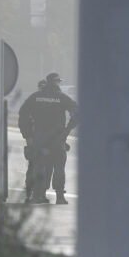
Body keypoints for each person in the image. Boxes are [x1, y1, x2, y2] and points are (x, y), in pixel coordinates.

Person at [18, 72, 78, 204]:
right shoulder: (61, 97)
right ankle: (60, 197)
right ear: (56, 82)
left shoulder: (36, 96)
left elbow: (22, 115)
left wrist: (28, 135)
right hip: (58, 139)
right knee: (59, 168)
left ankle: (38, 195)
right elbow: (77, 112)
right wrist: (67, 130)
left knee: (39, 166)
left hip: (39, 138)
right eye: (58, 82)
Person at [22, 79, 47, 203]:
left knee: (44, 168)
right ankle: (29, 192)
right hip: (33, 140)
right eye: (41, 87)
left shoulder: (49, 103)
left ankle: (41, 193)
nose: (42, 89)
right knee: (32, 167)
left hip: (46, 140)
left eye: (44, 87)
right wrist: (28, 137)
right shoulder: (33, 101)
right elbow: (24, 119)